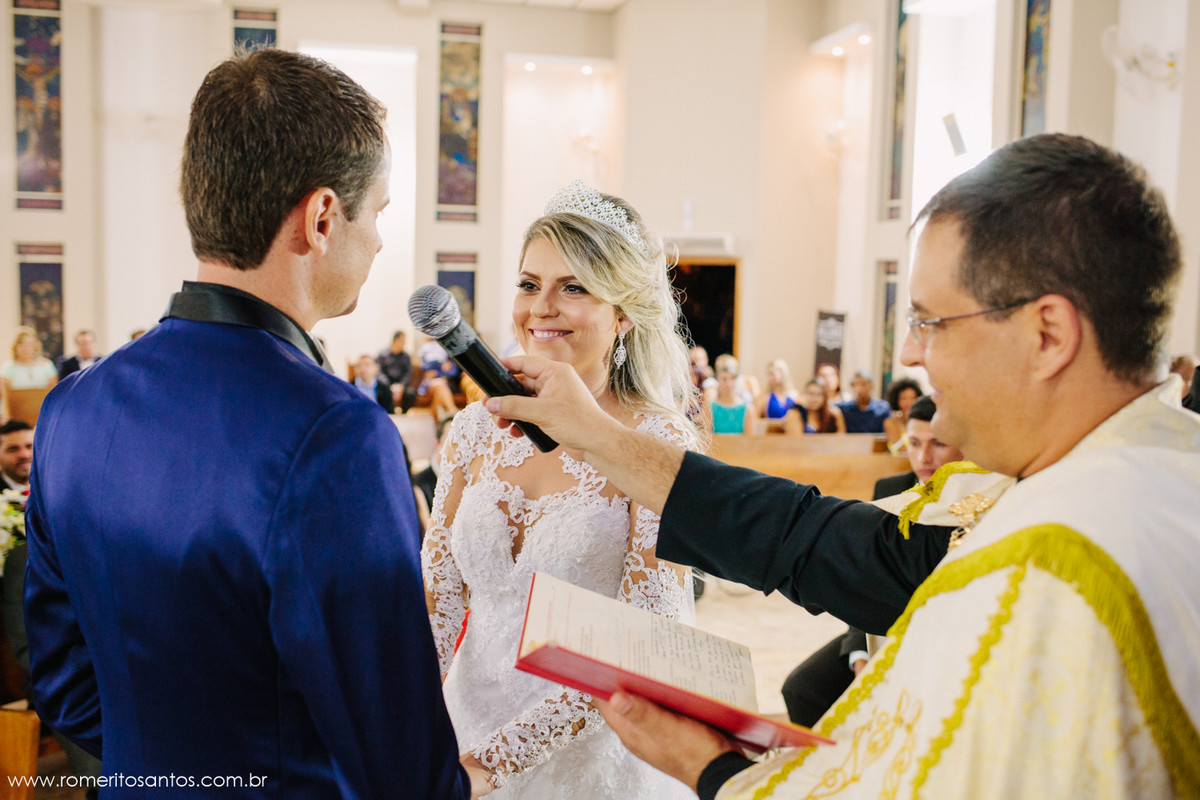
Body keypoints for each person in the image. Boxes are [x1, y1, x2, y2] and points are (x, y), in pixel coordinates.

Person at [484, 134, 1199, 798]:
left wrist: (716, 771)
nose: (910, 356)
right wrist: (597, 437)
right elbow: (848, 548)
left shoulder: (1058, 571)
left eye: (928, 321)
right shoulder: (1142, 469)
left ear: (1048, 335)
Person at [23, 49, 471, 798]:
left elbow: (65, 686)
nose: (381, 240)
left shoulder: (72, 406)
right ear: (324, 216)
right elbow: (402, 766)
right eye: (380, 213)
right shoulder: (337, 435)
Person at [422, 180, 702, 799]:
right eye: (529, 284)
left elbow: (642, 646)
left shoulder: (657, 444)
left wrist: (492, 765)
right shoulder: (474, 428)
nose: (541, 307)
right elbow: (438, 601)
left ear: (623, 312)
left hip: (596, 757)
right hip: (464, 729)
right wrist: (404, 725)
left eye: (572, 287)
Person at [781, 395, 964, 727]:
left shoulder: (971, 499)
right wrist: (860, 655)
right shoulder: (891, 488)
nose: (924, 457)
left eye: (938, 443)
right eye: (915, 443)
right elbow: (864, 576)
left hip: (936, 633)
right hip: (879, 623)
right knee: (802, 689)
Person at [1, 419, 104, 798]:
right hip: (65, 675)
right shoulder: (23, 557)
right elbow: (28, 648)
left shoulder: (110, 539)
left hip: (124, 668)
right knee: (106, 773)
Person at [709, 363, 755, 435]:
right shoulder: (710, 408)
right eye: (724, 379)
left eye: (732, 379)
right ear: (718, 380)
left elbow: (749, 439)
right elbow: (707, 436)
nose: (728, 383)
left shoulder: (748, 408)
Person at [378, 330, 417, 411]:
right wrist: (389, 386)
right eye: (403, 341)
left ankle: (404, 413)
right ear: (396, 340)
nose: (404, 344)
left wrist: (401, 386)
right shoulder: (382, 355)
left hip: (401, 385)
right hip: (387, 384)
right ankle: (388, 413)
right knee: (381, 392)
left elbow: (408, 373)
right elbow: (380, 372)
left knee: (411, 393)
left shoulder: (406, 356)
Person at [757, 358, 800, 427]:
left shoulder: (794, 395)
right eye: (768, 374)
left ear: (783, 373)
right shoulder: (764, 396)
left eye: (772, 374)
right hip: (772, 432)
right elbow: (756, 421)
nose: (769, 378)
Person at [882, 376, 922, 446]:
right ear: (896, 400)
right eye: (904, 398)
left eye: (913, 398)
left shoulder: (922, 422)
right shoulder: (891, 422)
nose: (909, 402)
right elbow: (900, 448)